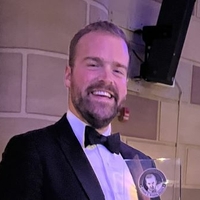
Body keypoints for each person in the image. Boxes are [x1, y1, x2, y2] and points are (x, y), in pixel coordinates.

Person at [0, 21, 158, 200]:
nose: (107, 79)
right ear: (68, 75)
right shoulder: (30, 151)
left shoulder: (143, 164)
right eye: (93, 65)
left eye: (117, 70)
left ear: (126, 87)